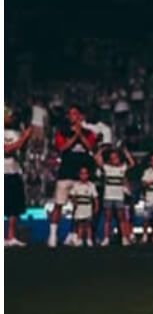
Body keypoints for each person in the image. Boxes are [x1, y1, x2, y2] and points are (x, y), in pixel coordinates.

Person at [48, 105, 98, 248]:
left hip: (81, 175)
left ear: (80, 116)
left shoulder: (89, 133)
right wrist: (75, 135)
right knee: (59, 204)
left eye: (75, 113)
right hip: (65, 173)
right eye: (70, 114)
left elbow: (90, 147)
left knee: (79, 207)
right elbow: (62, 148)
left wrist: (80, 134)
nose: (73, 116)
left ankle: (74, 235)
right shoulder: (61, 132)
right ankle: (52, 235)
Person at [95, 146, 135, 246]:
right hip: (108, 196)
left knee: (121, 218)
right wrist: (102, 149)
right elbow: (97, 159)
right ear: (109, 160)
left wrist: (126, 153)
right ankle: (106, 238)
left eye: (116, 157)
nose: (115, 160)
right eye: (112, 158)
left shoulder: (122, 168)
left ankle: (125, 238)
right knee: (107, 218)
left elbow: (132, 163)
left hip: (119, 197)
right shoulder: (107, 168)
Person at [5, 107, 32, 247]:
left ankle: (10, 236)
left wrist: (25, 139)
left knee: (13, 207)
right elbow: (6, 149)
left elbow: (21, 150)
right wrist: (24, 138)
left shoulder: (15, 132)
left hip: (14, 171)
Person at [69, 166, 99, 247]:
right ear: (79, 175)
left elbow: (95, 198)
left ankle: (89, 239)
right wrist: (74, 202)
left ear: (88, 175)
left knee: (88, 224)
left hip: (88, 207)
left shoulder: (91, 185)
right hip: (79, 207)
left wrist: (96, 207)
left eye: (85, 173)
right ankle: (79, 239)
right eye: (82, 174)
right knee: (80, 224)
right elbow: (72, 195)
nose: (83, 176)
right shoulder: (76, 185)